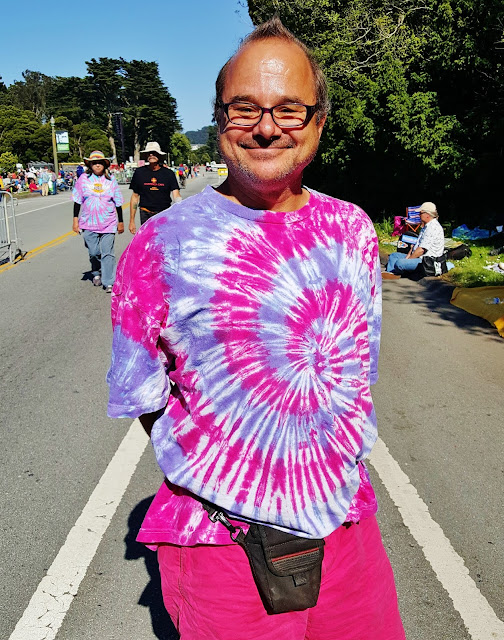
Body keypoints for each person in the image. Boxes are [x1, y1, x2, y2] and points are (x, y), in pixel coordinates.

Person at [107, 17, 405, 640]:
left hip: (347, 526)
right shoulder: (162, 244)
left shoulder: (352, 229)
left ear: (319, 121)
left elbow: (355, 373)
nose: (267, 127)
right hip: (221, 543)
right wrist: (229, 464)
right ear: (219, 119)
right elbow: (142, 394)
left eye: (289, 109)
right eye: (245, 108)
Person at [72, 150, 124, 292]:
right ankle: (96, 271)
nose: (97, 165)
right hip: (88, 222)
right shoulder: (83, 179)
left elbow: (118, 201)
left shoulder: (111, 180)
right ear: (90, 165)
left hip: (108, 222)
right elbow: (77, 200)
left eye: (100, 162)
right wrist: (75, 220)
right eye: (94, 163)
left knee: (108, 253)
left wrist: (121, 221)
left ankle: (109, 281)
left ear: (104, 164)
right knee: (94, 252)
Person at [128, 142, 181, 234]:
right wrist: (131, 221)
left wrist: (180, 212)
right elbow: (135, 197)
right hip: (145, 213)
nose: (151, 155)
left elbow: (176, 195)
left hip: (163, 213)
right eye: (149, 153)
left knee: (163, 239)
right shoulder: (139, 173)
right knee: (148, 240)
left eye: (154, 153)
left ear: (159, 155)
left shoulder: (168, 174)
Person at [383, 201, 445, 279]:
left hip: (427, 261)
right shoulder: (425, 227)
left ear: (427, 215)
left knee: (400, 263)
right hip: (418, 256)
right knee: (394, 256)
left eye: (420, 213)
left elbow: (421, 250)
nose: (419, 215)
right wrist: (408, 256)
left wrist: (408, 260)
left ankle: (399, 272)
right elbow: (415, 246)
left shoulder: (432, 228)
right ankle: (392, 273)